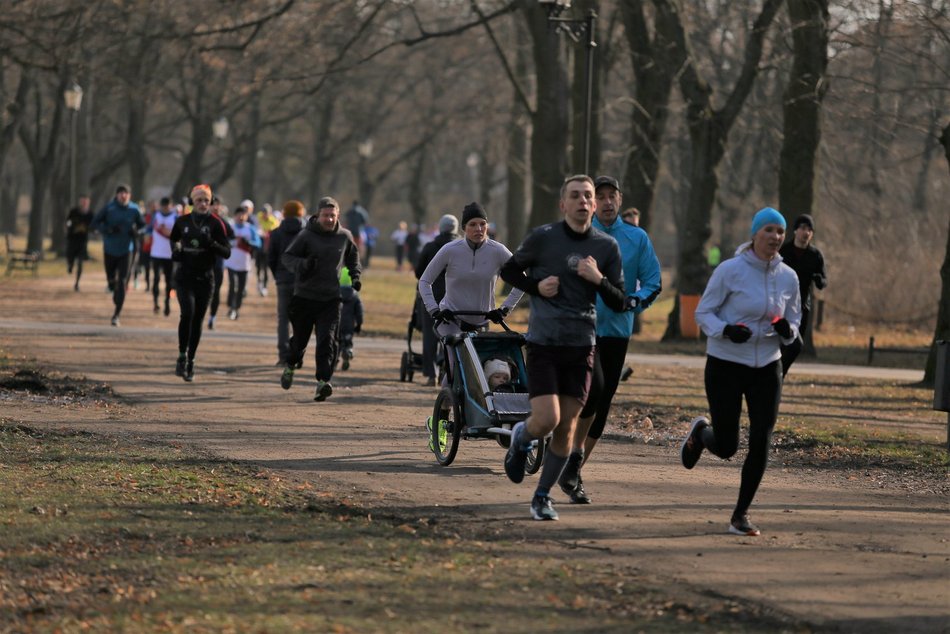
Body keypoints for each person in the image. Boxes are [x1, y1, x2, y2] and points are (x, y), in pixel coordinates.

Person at [499, 175, 628, 521]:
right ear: (563, 204)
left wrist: (598, 279)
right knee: (546, 419)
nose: (585, 201)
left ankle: (542, 497)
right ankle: (521, 438)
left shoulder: (606, 248)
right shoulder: (544, 238)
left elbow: (620, 302)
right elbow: (508, 270)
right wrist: (537, 287)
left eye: (588, 196)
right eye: (577, 196)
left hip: (581, 346)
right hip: (544, 342)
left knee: (567, 428)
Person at [680, 206, 801, 537]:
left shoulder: (789, 277)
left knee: (762, 438)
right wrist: (726, 330)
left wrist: (784, 328)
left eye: (780, 231)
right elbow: (704, 313)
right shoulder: (729, 271)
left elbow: (794, 325)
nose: (775, 237)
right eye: (769, 231)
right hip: (725, 364)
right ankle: (702, 435)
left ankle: (740, 515)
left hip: (767, 365)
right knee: (728, 445)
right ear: (754, 234)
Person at [558, 176, 662, 505]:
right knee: (588, 393)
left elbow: (653, 280)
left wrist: (635, 301)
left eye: (610, 196)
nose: (605, 202)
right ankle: (553, 446)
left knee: (601, 404)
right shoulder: (578, 233)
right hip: (580, 326)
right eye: (599, 196)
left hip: (616, 329)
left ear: (619, 199)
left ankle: (573, 473)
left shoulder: (636, 238)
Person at [418, 203, 523, 383]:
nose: (478, 229)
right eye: (473, 224)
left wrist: (504, 309)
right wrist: (434, 310)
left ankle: (475, 410)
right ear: (464, 228)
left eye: (482, 224)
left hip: (482, 321)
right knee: (458, 368)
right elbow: (424, 281)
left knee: (483, 373)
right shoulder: (450, 250)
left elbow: (522, 281)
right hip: (451, 320)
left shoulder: (498, 251)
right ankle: (443, 408)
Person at [279, 196, 361, 402]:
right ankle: (290, 365)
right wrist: (304, 265)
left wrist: (355, 276)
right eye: (326, 216)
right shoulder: (305, 236)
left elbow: (353, 258)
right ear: (318, 216)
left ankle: (323, 382)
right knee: (300, 341)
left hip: (331, 299)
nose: (329, 219)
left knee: (328, 341)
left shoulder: (345, 236)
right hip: (304, 297)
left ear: (338, 216)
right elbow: (287, 258)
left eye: (333, 216)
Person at [169, 184, 231, 382]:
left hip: (205, 278)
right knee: (187, 313)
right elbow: (174, 239)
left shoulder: (216, 223)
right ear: (192, 202)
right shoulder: (182, 221)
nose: (204, 204)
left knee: (197, 320)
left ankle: (191, 360)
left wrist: (211, 243)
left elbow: (227, 252)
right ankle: (181, 355)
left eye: (206, 200)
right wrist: (177, 250)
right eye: (199, 200)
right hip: (184, 276)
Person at [778, 213, 827, 376]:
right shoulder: (783, 251)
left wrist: (819, 279)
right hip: (781, 303)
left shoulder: (815, 255)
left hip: (802, 306)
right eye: (803, 228)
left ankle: (780, 374)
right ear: (795, 231)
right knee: (779, 342)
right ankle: (773, 374)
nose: (806, 232)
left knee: (796, 345)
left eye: (809, 230)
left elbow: (823, 282)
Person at [414, 213, 459, 386]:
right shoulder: (462, 247)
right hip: (455, 297)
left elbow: (419, 272)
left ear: (440, 228)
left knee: (430, 335)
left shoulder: (430, 247)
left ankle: (431, 374)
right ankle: (446, 368)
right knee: (453, 335)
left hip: (431, 297)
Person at [91, 184, 145, 326]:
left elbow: (143, 226)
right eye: (121, 193)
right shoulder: (109, 208)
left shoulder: (134, 209)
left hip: (127, 250)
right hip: (109, 249)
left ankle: (116, 315)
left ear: (129, 195)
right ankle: (112, 285)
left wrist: (137, 232)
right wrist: (108, 229)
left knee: (122, 281)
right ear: (116, 195)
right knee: (111, 280)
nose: (123, 195)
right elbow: (95, 223)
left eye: (126, 193)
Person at [267, 200, 307, 366]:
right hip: (302, 281)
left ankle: (283, 355)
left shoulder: (276, 233)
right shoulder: (306, 233)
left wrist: (277, 275)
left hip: (283, 279)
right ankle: (297, 354)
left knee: (283, 319)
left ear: (283, 213)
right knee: (300, 319)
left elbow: (270, 257)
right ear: (301, 213)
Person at [224, 205, 262, 321]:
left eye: (243, 215)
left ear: (246, 216)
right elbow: (223, 240)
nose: (241, 217)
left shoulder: (250, 229)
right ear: (234, 216)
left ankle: (236, 308)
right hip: (231, 263)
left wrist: (248, 242)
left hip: (244, 264)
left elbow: (258, 244)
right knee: (233, 285)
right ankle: (231, 307)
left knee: (240, 289)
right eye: (238, 214)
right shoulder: (230, 227)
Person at [206, 198, 235, 330]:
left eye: (217, 205)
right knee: (203, 291)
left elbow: (232, 237)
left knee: (216, 290)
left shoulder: (223, 222)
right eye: (212, 205)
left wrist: (222, 245)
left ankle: (212, 316)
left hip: (218, 262)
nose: (215, 207)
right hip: (202, 262)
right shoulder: (201, 221)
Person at [149, 197, 178, 316]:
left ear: (171, 205)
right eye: (164, 205)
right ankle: (155, 302)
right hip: (156, 253)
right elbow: (149, 228)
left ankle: (167, 302)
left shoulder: (176, 217)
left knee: (169, 281)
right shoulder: (156, 216)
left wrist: (167, 232)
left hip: (169, 255)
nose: (166, 207)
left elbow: (178, 234)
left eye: (168, 205)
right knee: (155, 279)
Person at [337, 266, 364, 371]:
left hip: (337, 324)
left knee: (336, 342)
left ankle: (335, 360)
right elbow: (359, 312)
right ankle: (348, 351)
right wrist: (359, 324)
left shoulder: (336, 294)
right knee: (347, 342)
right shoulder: (355, 297)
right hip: (349, 326)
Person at [65, 195, 93, 292]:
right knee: (70, 257)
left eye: (86, 201)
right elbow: (68, 222)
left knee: (80, 263)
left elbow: (93, 225)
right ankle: (70, 265)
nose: (84, 203)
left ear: (88, 202)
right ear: (80, 202)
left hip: (83, 241)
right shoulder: (74, 212)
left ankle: (77, 283)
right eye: (82, 201)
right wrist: (70, 226)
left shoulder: (90, 214)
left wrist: (91, 230)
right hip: (72, 240)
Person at [254, 203, 279, 297]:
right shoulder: (259, 216)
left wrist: (265, 233)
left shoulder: (273, 221)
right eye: (263, 212)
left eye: (266, 212)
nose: (264, 214)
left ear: (270, 213)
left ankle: (264, 286)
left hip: (268, 246)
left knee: (265, 268)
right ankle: (259, 282)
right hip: (259, 244)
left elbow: (272, 233)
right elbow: (256, 227)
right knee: (258, 266)